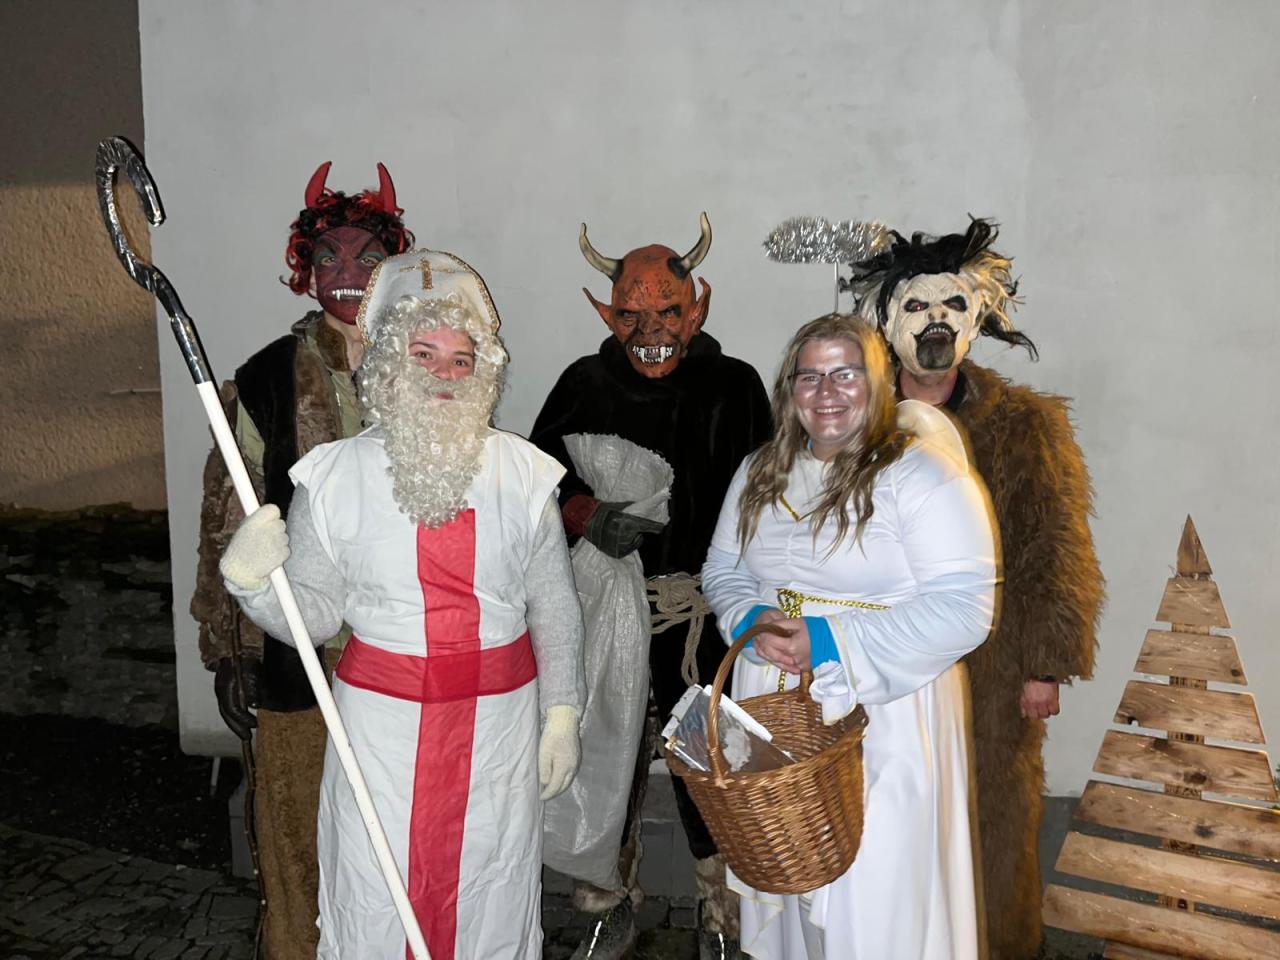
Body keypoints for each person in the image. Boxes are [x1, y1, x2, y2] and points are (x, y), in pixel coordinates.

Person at [216, 250, 586, 960]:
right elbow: (315, 616)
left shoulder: (523, 473)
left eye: (461, 359)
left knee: (490, 890)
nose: (445, 374)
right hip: (381, 733)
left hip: (498, 730)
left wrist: (563, 713)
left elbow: (554, 604)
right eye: (425, 354)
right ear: (389, 363)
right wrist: (255, 585)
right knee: (375, 892)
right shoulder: (332, 478)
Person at [701, 313, 997, 960]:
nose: (826, 392)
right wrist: (751, 621)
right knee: (791, 878)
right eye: (809, 376)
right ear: (789, 389)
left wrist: (829, 640)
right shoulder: (760, 471)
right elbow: (723, 570)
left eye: (845, 373)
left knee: (879, 896)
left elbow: (965, 608)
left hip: (885, 709)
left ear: (879, 383)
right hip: (776, 704)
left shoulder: (923, 475)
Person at [853, 219, 1104, 958]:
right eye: (916, 306)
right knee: (890, 812)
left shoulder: (1025, 426)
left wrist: (1045, 664)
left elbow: (1054, 544)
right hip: (884, 659)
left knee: (993, 817)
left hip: (993, 668)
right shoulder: (853, 421)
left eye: (952, 306)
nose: (935, 321)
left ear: (976, 320)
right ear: (886, 323)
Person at [530, 214, 772, 959]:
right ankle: (606, 905)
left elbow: (767, 497)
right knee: (607, 757)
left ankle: (724, 915)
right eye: (630, 315)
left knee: (714, 764)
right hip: (606, 611)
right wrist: (582, 512)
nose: (651, 331)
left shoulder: (734, 387)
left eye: (668, 311)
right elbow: (535, 480)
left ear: (696, 309)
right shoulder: (583, 384)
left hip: (700, 616)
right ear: (606, 314)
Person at [189, 160, 413, 959]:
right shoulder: (266, 380)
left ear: (395, 266)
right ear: (304, 270)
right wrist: (233, 651)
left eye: (365, 256)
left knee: (395, 842)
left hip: (406, 655)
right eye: (328, 257)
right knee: (297, 844)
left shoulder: (431, 362)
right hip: (297, 654)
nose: (346, 272)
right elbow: (229, 518)